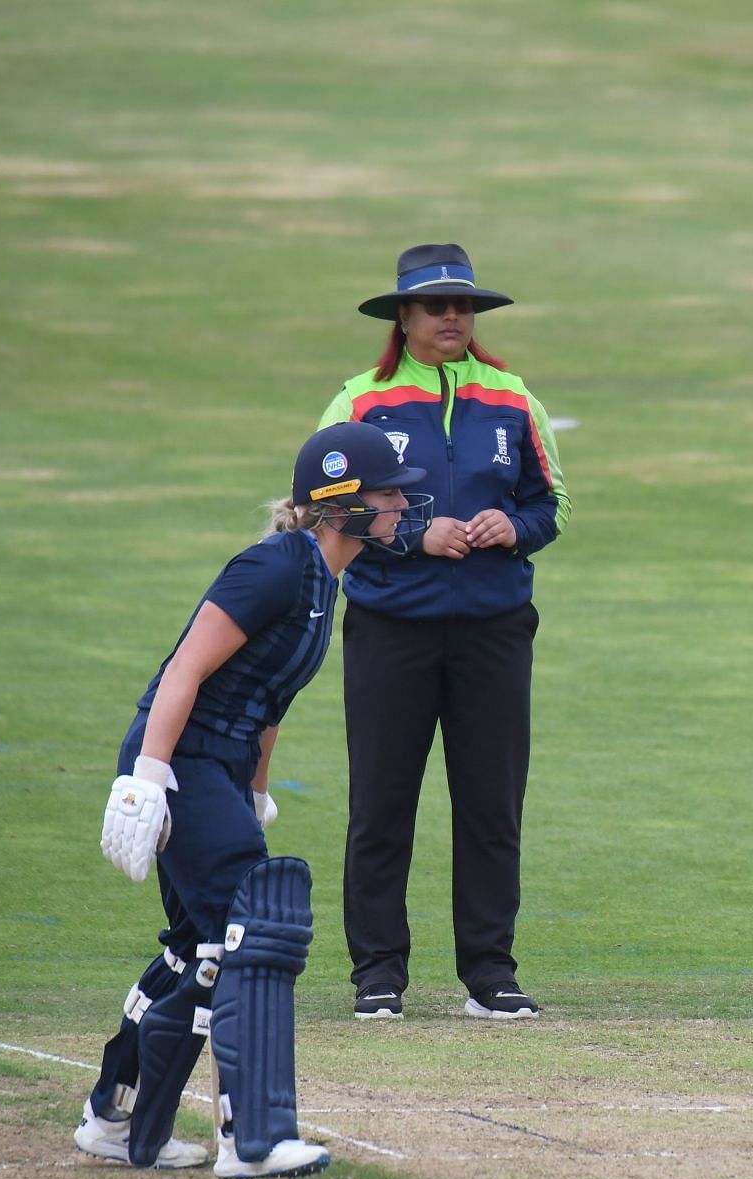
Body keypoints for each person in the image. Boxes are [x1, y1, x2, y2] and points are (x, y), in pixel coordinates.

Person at [77, 423, 431, 1177]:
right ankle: (252, 1138)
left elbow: (271, 700)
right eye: (390, 491)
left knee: (198, 945)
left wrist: (258, 790)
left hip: (222, 769)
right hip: (184, 760)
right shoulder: (274, 567)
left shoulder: (324, 578)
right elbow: (184, 670)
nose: (404, 503)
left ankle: (117, 1115)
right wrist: (147, 776)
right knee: (253, 931)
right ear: (341, 506)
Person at [320, 243, 570, 1023]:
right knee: (382, 802)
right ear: (405, 316)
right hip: (392, 630)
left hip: (494, 632)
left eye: (464, 306)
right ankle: (378, 974)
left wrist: (512, 525)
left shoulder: (512, 398)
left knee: (492, 805)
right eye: (437, 306)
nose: (453, 317)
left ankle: (490, 973)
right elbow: (326, 508)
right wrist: (415, 535)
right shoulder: (360, 404)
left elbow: (553, 504)